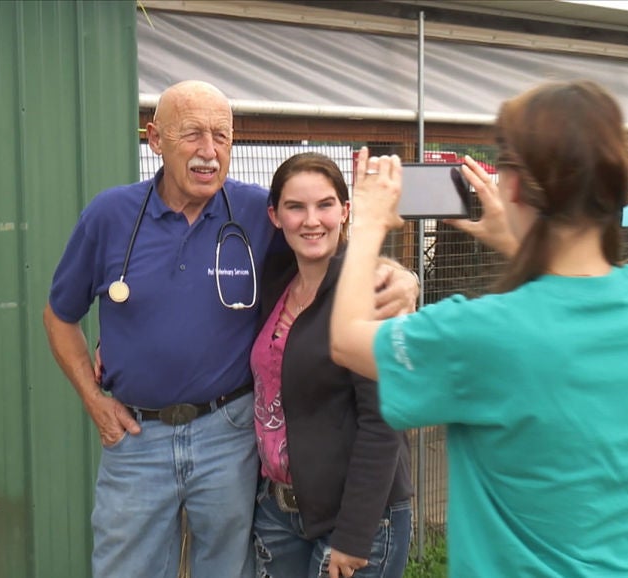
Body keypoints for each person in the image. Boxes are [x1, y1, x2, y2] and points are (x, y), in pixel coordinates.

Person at [43, 80, 418, 578]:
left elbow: (328, 253)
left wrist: (401, 277)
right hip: (136, 438)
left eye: (221, 135)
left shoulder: (257, 213)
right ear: (155, 139)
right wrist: (93, 400)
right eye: (192, 134)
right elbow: (59, 315)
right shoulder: (110, 216)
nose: (209, 150)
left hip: (229, 435)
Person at [329, 80, 628, 577]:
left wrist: (369, 223)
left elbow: (347, 340)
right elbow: (573, 306)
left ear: (516, 186)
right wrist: (522, 243)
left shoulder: (482, 335)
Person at [251, 153, 412, 578]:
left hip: (356, 518)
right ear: (275, 216)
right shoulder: (277, 282)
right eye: (295, 207)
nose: (311, 221)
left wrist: (354, 535)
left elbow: (384, 421)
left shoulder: (368, 292)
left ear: (345, 211)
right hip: (279, 512)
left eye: (324, 205)